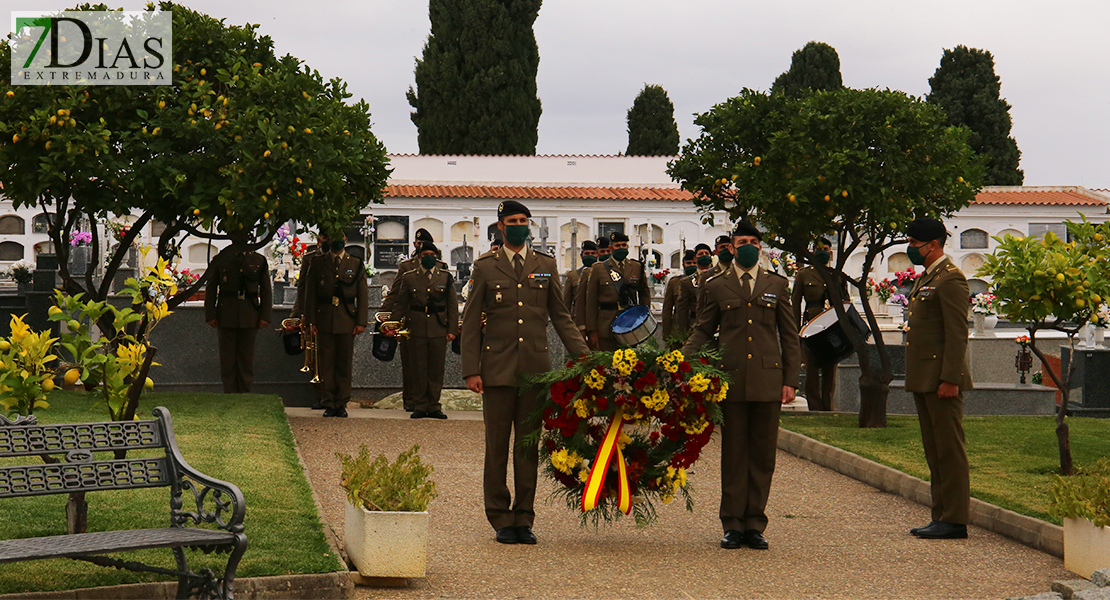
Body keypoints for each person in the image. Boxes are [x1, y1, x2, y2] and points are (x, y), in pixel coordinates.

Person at [461, 200, 589, 546]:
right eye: (513, 220)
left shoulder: (545, 264)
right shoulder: (486, 266)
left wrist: (586, 357)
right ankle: (500, 517)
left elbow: (561, 316)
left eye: (524, 220)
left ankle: (524, 516)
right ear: (500, 226)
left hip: (535, 370)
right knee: (497, 447)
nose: (519, 225)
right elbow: (471, 321)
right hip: (497, 370)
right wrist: (471, 370)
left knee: (528, 447)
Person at [682, 221, 800, 551]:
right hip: (730, 380)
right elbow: (703, 329)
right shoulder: (716, 284)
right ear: (731, 247)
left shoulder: (777, 283)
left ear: (760, 247)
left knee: (762, 456)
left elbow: (789, 335)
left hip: (768, 381)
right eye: (741, 241)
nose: (747, 246)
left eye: (753, 241)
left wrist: (791, 380)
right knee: (734, 455)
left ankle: (755, 524)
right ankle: (732, 524)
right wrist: (680, 361)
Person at [904, 217, 973, 540]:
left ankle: (955, 518)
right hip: (925, 377)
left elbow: (957, 335)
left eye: (915, 244)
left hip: (941, 378)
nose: (911, 249)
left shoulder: (950, 280)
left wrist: (950, 378)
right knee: (934, 450)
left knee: (949, 450)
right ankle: (941, 514)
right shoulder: (928, 278)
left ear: (933, 245)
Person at [386, 242, 458, 420]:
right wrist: (393, 324)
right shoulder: (410, 277)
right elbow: (401, 303)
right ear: (419, 256)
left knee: (436, 368)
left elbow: (452, 305)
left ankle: (434, 405)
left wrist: (452, 330)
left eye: (432, 253)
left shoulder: (445, 277)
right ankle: (419, 404)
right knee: (418, 368)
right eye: (425, 253)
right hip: (416, 327)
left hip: (438, 327)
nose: (429, 256)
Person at [303, 234, 369, 418]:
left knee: (344, 362)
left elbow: (362, 295)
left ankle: (341, 401)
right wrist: (311, 321)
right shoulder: (318, 263)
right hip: (324, 319)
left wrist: (361, 321)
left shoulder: (355, 263)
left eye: (340, 238)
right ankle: (329, 401)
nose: (337, 242)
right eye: (333, 238)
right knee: (326, 363)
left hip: (347, 319)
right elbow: (310, 294)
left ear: (346, 240)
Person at [382, 228, 445, 411]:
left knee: (433, 366)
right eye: (417, 244)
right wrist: (386, 316)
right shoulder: (407, 267)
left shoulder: (441, 267)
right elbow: (396, 294)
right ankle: (411, 400)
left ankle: (429, 402)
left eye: (422, 244)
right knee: (411, 364)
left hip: (434, 322)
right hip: (411, 321)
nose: (418, 247)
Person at [204, 241, 273, 393]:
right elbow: (211, 288)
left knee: (246, 358)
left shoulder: (258, 260)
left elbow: (266, 289)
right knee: (227, 359)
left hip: (250, 314)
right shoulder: (221, 259)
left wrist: (265, 315)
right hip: (226, 314)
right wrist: (210, 314)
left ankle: (245, 392)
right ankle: (229, 391)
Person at [791, 238, 847, 412]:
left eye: (825, 249)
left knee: (831, 369)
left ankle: (828, 407)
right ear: (813, 251)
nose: (822, 251)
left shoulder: (837, 275)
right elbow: (795, 302)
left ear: (830, 253)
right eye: (818, 249)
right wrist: (795, 330)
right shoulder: (804, 274)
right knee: (812, 369)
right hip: (812, 325)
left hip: (833, 326)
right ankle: (814, 407)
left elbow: (845, 302)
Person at [584, 232, 651, 351]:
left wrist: (643, 319)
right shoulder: (598, 269)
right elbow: (591, 302)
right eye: (618, 246)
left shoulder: (636, 267)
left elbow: (644, 294)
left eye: (624, 245)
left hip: (630, 325)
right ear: (611, 248)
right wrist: (592, 330)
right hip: (606, 325)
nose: (622, 248)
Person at [291, 232, 327, 409]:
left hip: (334, 314)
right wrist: (300, 313)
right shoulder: (310, 259)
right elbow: (303, 287)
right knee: (315, 356)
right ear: (319, 241)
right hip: (314, 312)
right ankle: (320, 395)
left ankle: (334, 395)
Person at [662, 250, 697, 343]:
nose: (692, 265)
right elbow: (667, 309)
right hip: (678, 325)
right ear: (683, 264)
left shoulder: (704, 281)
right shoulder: (675, 282)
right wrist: (666, 333)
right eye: (688, 263)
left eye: (694, 263)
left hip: (697, 323)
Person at [563, 240, 598, 319]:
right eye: (587, 254)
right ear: (581, 255)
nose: (590, 256)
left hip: (597, 318)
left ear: (597, 255)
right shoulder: (573, 276)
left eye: (593, 253)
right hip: (579, 318)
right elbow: (566, 302)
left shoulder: (602, 273)